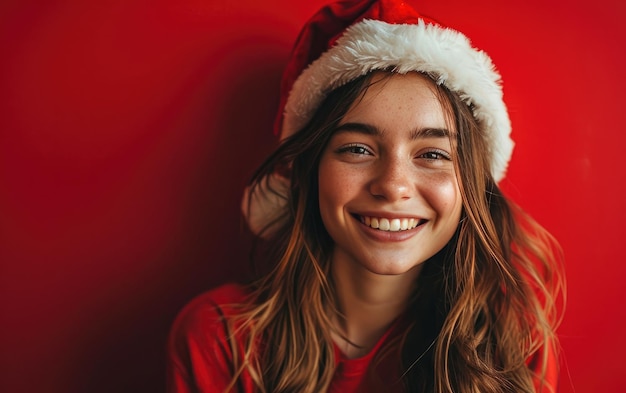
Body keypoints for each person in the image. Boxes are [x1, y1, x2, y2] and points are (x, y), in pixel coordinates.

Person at [166, 0, 565, 392]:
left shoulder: (508, 343)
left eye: (432, 154)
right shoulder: (223, 339)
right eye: (358, 149)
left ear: (471, 188)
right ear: (310, 171)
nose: (393, 185)